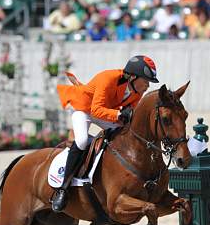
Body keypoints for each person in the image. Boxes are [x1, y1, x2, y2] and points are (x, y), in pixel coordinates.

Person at [52, 55, 158, 212]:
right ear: (133, 77)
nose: (148, 85)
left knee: (123, 134)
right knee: (81, 141)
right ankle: (62, 189)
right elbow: (96, 109)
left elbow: (130, 113)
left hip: (106, 113)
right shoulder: (108, 78)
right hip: (85, 109)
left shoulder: (137, 91)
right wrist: (119, 115)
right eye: (146, 80)